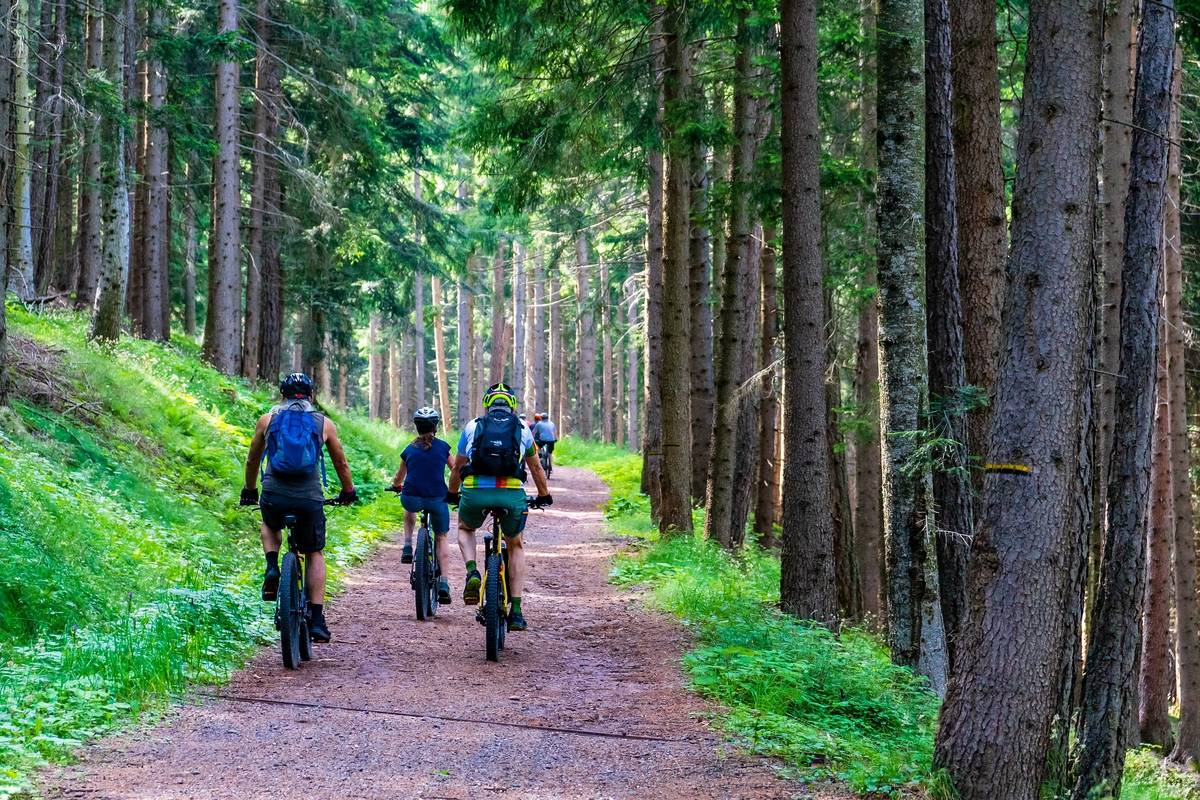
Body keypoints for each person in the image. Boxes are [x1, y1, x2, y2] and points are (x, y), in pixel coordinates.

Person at [240, 373, 357, 643]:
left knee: (270, 524)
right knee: (314, 551)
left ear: (282, 394)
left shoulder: (267, 420)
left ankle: (272, 566)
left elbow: (252, 460)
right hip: (308, 498)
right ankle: (317, 619)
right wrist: (348, 491)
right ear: (311, 395)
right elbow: (341, 464)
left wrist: (249, 490)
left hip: (274, 494)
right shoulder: (323, 423)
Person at [446, 383, 551, 632]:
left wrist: (452, 493)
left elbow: (458, 466)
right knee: (516, 545)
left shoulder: (472, 426)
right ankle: (516, 611)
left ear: (488, 404)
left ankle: (472, 572)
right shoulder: (523, 428)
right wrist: (544, 495)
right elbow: (536, 467)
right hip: (510, 494)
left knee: (465, 528)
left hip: (475, 492)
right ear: (512, 405)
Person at [389, 407, 454, 605]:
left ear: (417, 427)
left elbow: (400, 477)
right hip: (437, 499)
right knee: (441, 536)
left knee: (408, 503)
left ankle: (408, 544)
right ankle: (443, 582)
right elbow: (455, 470)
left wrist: (395, 486)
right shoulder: (443, 447)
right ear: (436, 426)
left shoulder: (409, 449)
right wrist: (455, 491)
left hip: (412, 498)